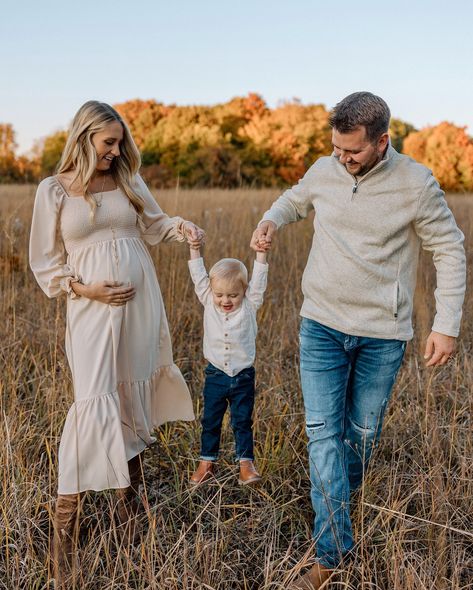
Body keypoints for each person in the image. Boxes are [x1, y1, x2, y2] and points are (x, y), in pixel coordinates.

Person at [251, 92, 466, 589]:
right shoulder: (326, 169)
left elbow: (449, 249)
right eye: (335, 149)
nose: (341, 159)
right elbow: (294, 199)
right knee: (323, 437)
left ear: (382, 142)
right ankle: (331, 554)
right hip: (321, 325)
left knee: (360, 438)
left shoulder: (415, 183)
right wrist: (270, 219)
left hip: (382, 336)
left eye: (352, 151)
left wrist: (446, 323)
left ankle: (334, 503)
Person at [29, 100, 205, 587]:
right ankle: (65, 530)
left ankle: (130, 514)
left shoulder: (128, 180)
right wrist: (86, 289)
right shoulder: (54, 191)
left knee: (128, 396)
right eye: (109, 142)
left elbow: (154, 224)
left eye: (120, 142)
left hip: (139, 307)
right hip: (90, 310)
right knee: (92, 402)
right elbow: (45, 262)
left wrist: (181, 228)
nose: (117, 150)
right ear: (84, 138)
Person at [187, 239, 268, 485]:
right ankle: (207, 463)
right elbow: (199, 276)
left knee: (242, 421)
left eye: (233, 294)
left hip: (243, 375)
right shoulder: (208, 300)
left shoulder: (250, 305)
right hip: (216, 375)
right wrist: (195, 248)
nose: (225, 300)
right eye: (220, 294)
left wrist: (261, 254)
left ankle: (246, 465)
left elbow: (259, 282)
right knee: (210, 420)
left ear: (244, 291)